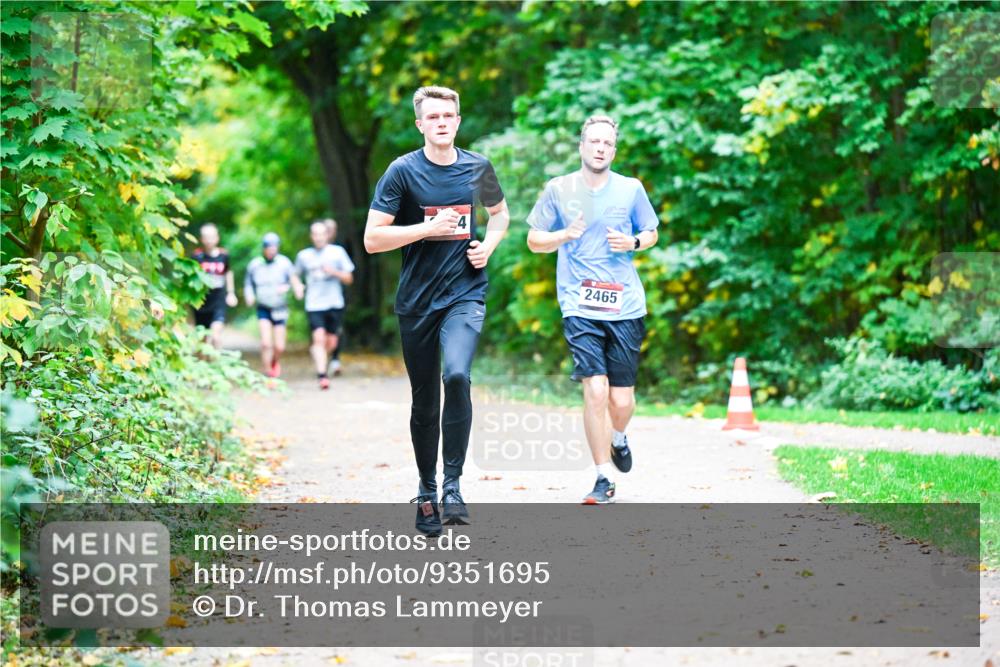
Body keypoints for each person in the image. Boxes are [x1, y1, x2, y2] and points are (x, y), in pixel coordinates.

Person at [364, 85, 509, 535]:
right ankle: (426, 492)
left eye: (449, 115)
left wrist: (490, 244)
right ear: (421, 124)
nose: (442, 122)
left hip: (465, 294)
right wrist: (426, 228)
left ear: (458, 121)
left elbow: (500, 215)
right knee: (425, 401)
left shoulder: (478, 167)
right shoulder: (401, 172)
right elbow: (372, 239)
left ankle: (453, 486)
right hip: (417, 303)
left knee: (458, 375)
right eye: (434, 116)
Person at [526, 115, 659, 505]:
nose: (600, 148)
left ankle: (619, 437)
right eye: (594, 141)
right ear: (582, 146)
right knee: (595, 391)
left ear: (613, 151)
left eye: (608, 143)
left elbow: (651, 232)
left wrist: (633, 242)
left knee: (621, 400)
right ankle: (603, 477)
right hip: (578, 303)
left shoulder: (631, 189)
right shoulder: (558, 188)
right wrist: (563, 235)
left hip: (625, 304)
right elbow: (534, 240)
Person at [295, 221, 355, 390]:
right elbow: (295, 274)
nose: (319, 237)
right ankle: (322, 375)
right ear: (311, 236)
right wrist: (298, 287)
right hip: (314, 305)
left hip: (334, 303)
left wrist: (333, 272)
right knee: (319, 338)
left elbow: (349, 278)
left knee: (332, 343)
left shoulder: (337, 252)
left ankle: (321, 356)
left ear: (327, 235)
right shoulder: (304, 255)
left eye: (322, 234)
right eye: (315, 234)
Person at [244, 232, 303, 378]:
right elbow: (248, 284)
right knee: (265, 343)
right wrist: (249, 296)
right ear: (264, 248)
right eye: (269, 247)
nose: (271, 250)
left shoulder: (284, 263)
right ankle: (268, 372)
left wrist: (294, 289)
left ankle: (274, 361)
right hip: (263, 306)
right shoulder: (255, 264)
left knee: (280, 346)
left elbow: (293, 280)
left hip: (280, 307)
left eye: (274, 247)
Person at [191, 223, 237, 348]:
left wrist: (231, 293)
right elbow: (190, 278)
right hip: (201, 301)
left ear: (217, 238)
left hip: (218, 300)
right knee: (203, 339)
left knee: (216, 335)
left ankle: (216, 363)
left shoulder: (224, 255)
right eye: (206, 237)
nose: (209, 240)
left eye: (212, 237)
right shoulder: (196, 256)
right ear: (202, 239)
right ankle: (204, 365)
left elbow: (228, 272)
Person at [324, 218, 346, 377]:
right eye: (328, 228)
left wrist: (333, 272)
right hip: (316, 301)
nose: (331, 231)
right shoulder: (311, 252)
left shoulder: (340, 249)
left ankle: (335, 358)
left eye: (333, 228)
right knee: (321, 333)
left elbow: (349, 275)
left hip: (337, 297)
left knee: (336, 331)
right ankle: (323, 360)